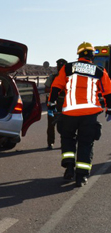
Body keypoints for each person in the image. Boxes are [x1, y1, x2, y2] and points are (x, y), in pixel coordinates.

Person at [48, 42, 111, 187]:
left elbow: (56, 86)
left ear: (79, 54)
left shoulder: (68, 67)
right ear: (91, 55)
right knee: (85, 143)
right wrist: (109, 108)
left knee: (68, 138)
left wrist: (51, 104)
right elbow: (108, 92)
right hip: (89, 114)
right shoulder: (99, 70)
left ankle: (69, 167)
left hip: (69, 112)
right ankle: (81, 177)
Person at [44, 58, 68, 150]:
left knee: (64, 125)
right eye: (59, 66)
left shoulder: (69, 78)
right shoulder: (52, 77)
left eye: (62, 66)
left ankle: (64, 143)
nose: (60, 68)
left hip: (65, 103)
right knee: (51, 124)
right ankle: (50, 143)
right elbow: (46, 89)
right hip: (53, 102)